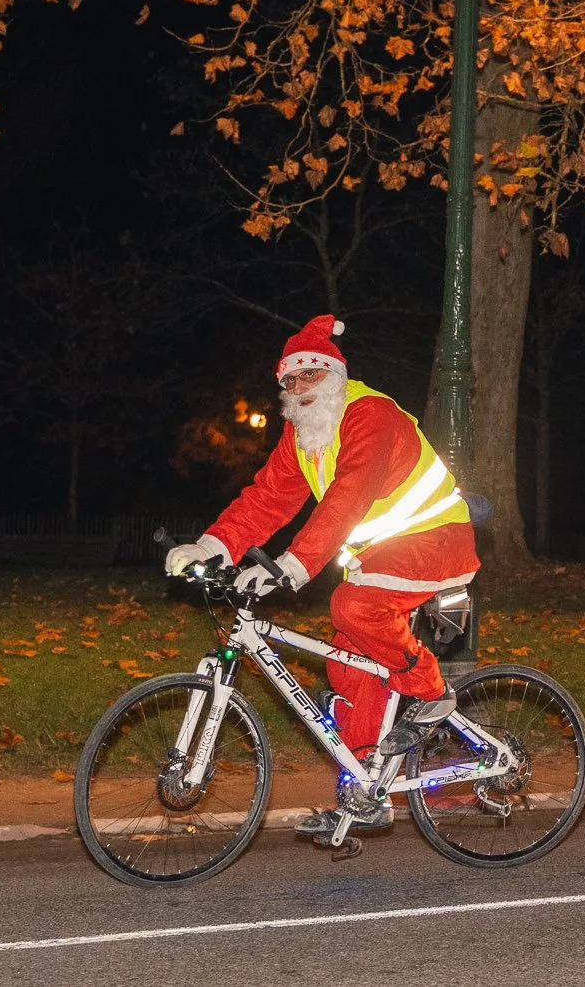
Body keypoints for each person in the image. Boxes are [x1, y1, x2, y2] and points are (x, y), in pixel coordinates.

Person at [164, 314, 477, 838]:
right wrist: (211, 547)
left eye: (310, 374)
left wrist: (293, 565)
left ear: (334, 373)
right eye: (288, 379)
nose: (298, 387)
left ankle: (430, 691)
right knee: (348, 666)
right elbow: (267, 498)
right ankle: (365, 791)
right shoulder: (303, 435)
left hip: (436, 541)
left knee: (352, 607)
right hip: (380, 556)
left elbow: (347, 497)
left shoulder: (369, 413)